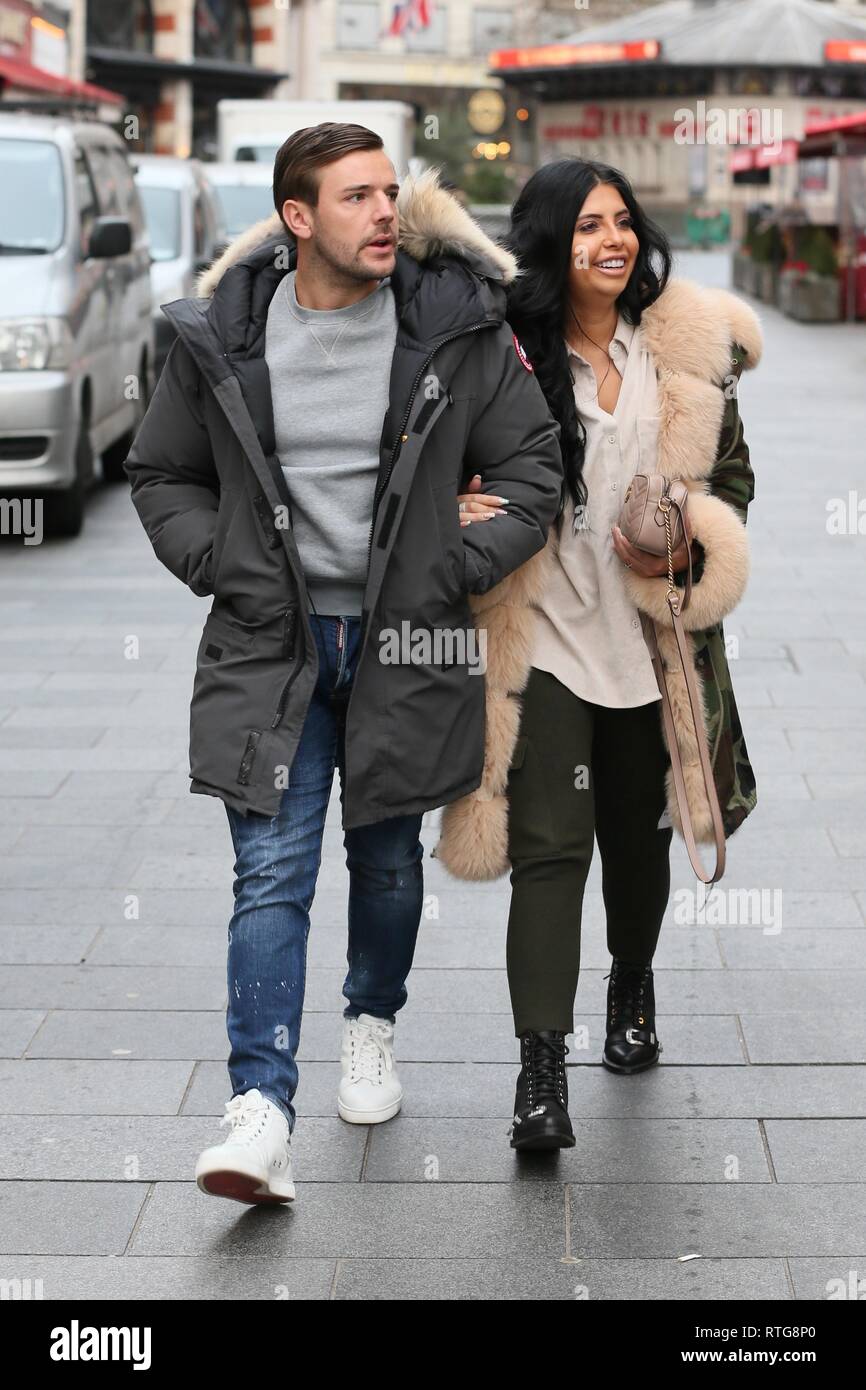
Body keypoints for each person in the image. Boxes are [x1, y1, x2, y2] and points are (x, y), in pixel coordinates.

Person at [124, 124, 563, 1203]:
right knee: (268, 870)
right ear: (295, 217)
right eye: (356, 196)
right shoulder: (218, 334)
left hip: (406, 639)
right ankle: (259, 1107)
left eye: (388, 192)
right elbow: (160, 472)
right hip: (266, 639)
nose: (384, 214)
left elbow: (532, 466)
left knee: (386, 861)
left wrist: (452, 562)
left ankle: (370, 1021)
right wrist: (218, 563)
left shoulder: (454, 327)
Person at [436, 157, 762, 1151]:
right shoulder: (503, 358)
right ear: (546, 242)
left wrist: (690, 529)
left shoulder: (681, 353)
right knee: (547, 853)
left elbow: (734, 479)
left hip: (651, 642)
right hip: (542, 644)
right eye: (586, 226)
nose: (611, 241)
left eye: (621, 221)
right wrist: (451, 502)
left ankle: (630, 980)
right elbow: (434, 457)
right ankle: (540, 1072)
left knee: (638, 837)